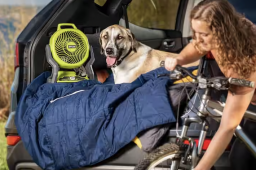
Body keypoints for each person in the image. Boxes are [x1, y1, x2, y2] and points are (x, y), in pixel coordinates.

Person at [164, 0, 256, 170]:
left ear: (222, 32)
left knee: (241, 159)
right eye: (195, 32)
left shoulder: (244, 60)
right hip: (250, 102)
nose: (198, 38)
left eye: (204, 34)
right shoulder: (223, 34)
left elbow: (228, 126)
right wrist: (179, 59)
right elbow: (197, 46)